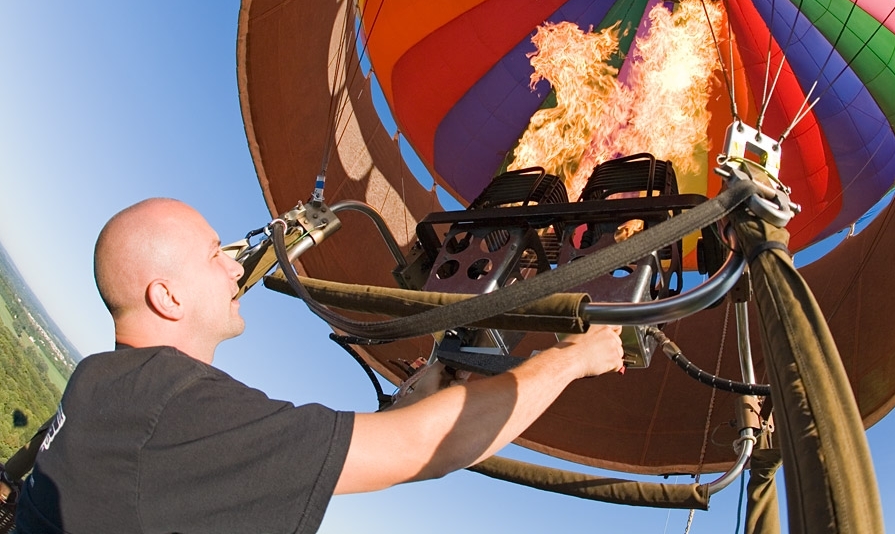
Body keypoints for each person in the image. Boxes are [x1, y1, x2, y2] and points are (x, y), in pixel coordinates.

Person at [14, 198, 624, 533]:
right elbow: (422, 449)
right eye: (215, 255)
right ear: (167, 297)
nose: (236, 266)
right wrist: (571, 359)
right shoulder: (172, 408)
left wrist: (426, 387)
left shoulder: (100, 384)